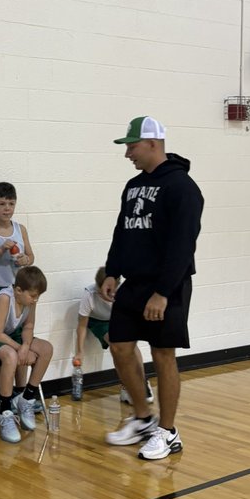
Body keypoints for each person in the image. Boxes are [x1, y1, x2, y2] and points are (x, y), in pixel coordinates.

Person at [102, 117, 203, 459]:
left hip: (167, 287)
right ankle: (144, 418)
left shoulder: (182, 188)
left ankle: (168, 432)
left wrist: (163, 292)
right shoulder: (132, 186)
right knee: (118, 346)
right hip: (134, 282)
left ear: (152, 144)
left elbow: (183, 245)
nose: (127, 153)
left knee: (163, 356)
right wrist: (112, 271)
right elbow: (123, 231)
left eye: (131, 146)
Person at [0, 267, 53, 442]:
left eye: (38, 296)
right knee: (10, 356)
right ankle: (5, 410)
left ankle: (27, 397)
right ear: (18, 290)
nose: (35, 299)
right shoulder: (4, 298)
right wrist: (20, 348)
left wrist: (26, 346)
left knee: (46, 349)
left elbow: (29, 326)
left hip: (9, 335)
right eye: (33, 295)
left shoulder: (31, 300)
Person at [74, 266, 154, 406]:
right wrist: (79, 352)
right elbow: (81, 325)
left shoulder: (126, 292)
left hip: (117, 318)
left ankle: (141, 382)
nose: (106, 295)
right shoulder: (90, 294)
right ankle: (126, 386)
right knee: (116, 342)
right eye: (102, 291)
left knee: (131, 344)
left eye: (112, 291)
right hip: (98, 322)